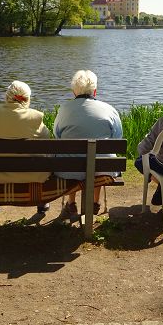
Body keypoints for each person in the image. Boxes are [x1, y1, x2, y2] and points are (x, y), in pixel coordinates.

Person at [53, 70, 123, 218]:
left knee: (70, 158)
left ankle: (71, 204)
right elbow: (117, 137)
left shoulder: (64, 109)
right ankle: (95, 203)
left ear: (73, 91)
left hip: (69, 169)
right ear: (95, 91)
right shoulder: (109, 110)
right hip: (104, 170)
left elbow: (57, 135)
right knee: (99, 160)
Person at [0, 81, 51, 215]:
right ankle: (41, 201)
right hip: (31, 174)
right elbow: (47, 137)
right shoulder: (35, 117)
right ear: (27, 99)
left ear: (6, 96)